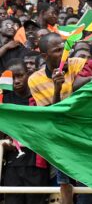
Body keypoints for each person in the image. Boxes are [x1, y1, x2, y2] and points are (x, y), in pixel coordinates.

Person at [28, 33, 86, 204]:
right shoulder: (35, 80)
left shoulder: (77, 64)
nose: (65, 54)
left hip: (83, 136)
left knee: (87, 188)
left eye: (65, 48)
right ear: (45, 56)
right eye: (58, 50)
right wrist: (57, 89)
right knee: (65, 186)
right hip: (60, 139)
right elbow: (51, 115)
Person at [2, 59, 49, 204]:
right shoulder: (4, 97)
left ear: (28, 74)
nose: (16, 81)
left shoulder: (39, 95)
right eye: (12, 77)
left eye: (20, 75)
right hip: (12, 163)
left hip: (36, 162)